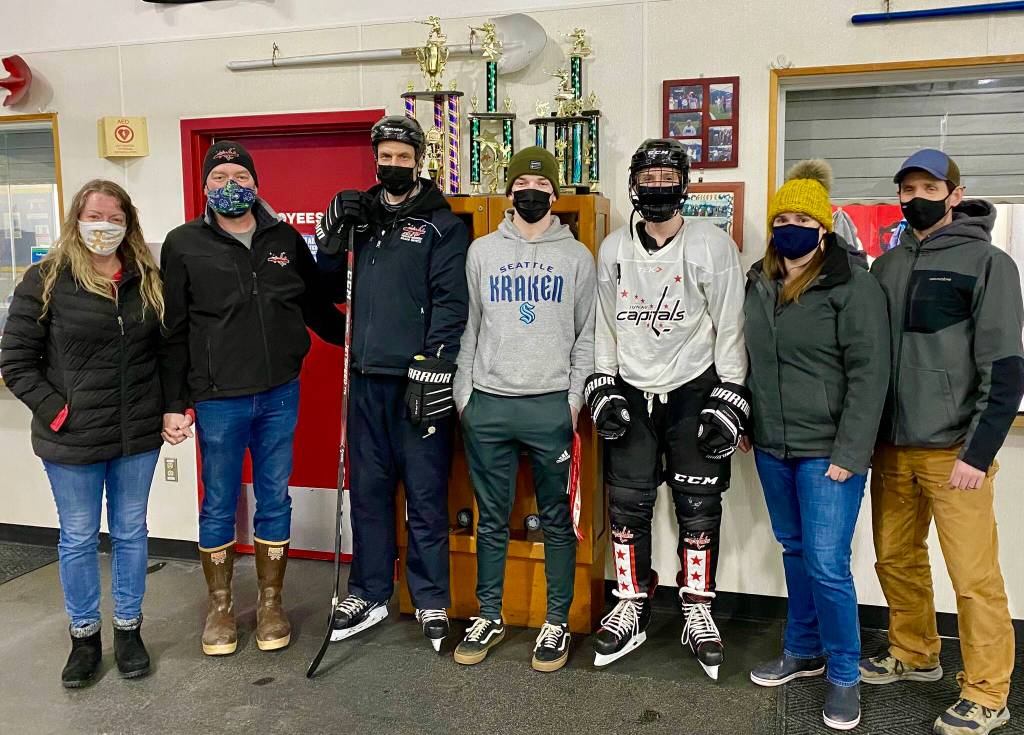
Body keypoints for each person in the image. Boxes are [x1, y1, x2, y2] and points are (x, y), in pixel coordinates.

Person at [160, 140, 345, 657]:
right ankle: (220, 608)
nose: (230, 185)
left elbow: (315, 305)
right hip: (218, 399)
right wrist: (174, 402)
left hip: (280, 392)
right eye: (218, 178)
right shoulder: (183, 243)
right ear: (204, 188)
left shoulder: (284, 237)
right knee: (218, 501)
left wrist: (360, 340)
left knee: (274, 497)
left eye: (240, 175)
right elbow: (173, 329)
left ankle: (270, 603)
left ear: (257, 184)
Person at [863, 149, 1023, 735]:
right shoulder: (886, 265)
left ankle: (987, 692)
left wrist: (977, 455)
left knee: (974, 577)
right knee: (895, 559)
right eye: (906, 189)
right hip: (891, 448)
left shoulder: (989, 263)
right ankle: (914, 652)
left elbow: (1005, 369)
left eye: (929, 186)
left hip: (954, 452)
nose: (916, 197)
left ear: (954, 194)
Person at [586, 138, 749, 678]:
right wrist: (603, 384)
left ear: (684, 183)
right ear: (633, 182)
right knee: (627, 504)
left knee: (698, 507)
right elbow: (605, 324)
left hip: (693, 388)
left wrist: (731, 393)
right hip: (632, 387)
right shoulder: (612, 249)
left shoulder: (712, 245)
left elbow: (731, 325)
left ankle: (697, 607)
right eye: (647, 177)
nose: (657, 187)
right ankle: (631, 601)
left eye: (666, 177)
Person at [744, 160, 890, 731]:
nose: (790, 226)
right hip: (774, 446)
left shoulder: (852, 284)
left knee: (829, 564)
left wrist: (851, 454)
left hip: (830, 451)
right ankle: (802, 649)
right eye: (782, 217)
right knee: (796, 550)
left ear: (824, 227)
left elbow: (869, 374)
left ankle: (845, 673)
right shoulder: (759, 280)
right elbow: (753, 359)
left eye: (803, 217)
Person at [1, 180, 165, 686]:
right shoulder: (46, 279)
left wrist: (170, 409)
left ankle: (129, 629)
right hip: (71, 440)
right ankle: (84, 637)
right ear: (77, 219)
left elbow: (165, 352)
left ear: (128, 222)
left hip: (135, 436)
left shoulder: (146, 278)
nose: (104, 226)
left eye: (114, 217)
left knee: (132, 532)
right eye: (94, 216)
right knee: (77, 537)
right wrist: (57, 414)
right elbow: (15, 360)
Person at [314, 115, 469, 651]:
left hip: (417, 382)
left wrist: (436, 364)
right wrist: (331, 236)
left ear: (419, 161)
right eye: (387, 157)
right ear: (375, 157)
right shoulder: (364, 217)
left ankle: (429, 598)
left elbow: (451, 302)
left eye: (405, 158)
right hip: (365, 381)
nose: (394, 165)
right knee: (370, 492)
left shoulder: (440, 224)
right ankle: (370, 591)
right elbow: (329, 287)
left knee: (426, 497)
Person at [451, 146, 595, 672]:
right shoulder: (482, 252)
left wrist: (572, 400)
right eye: (520, 189)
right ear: (508, 194)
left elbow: (587, 337)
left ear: (555, 197)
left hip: (550, 407)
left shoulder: (577, 257)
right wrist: (465, 399)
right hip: (488, 405)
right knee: (492, 519)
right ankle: (489, 614)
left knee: (557, 519)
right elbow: (469, 329)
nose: (531, 196)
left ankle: (556, 622)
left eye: (541, 190)